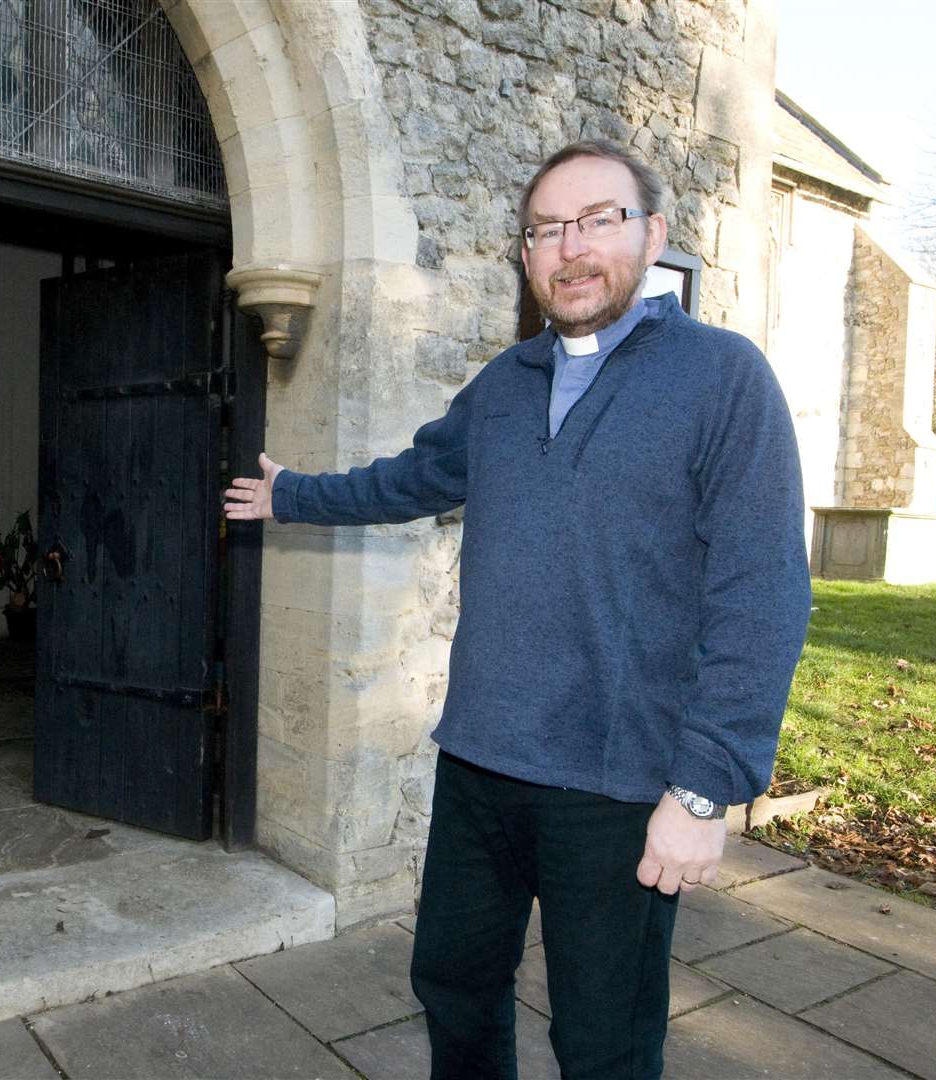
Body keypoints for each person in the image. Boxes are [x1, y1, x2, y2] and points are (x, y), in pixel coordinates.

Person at [222, 139, 811, 1079]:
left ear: (652, 234)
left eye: (597, 220)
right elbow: (413, 477)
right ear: (526, 255)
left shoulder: (723, 380)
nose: (570, 247)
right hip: (481, 762)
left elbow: (764, 593)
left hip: (619, 786)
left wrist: (704, 790)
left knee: (603, 1036)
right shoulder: (504, 385)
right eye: (545, 229)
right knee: (452, 985)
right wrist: (295, 495)